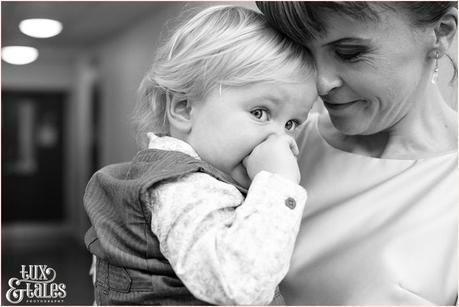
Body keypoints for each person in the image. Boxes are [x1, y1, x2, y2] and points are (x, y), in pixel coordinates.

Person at [83, 5, 319, 305]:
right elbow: (240, 286)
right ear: (183, 108)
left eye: (291, 124)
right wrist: (279, 183)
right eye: (260, 113)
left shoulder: (172, 180)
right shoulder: (185, 188)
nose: (281, 140)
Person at [255, 1, 458, 305]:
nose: (322, 83)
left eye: (349, 53)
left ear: (440, 33)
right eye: (302, 52)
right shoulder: (276, 145)